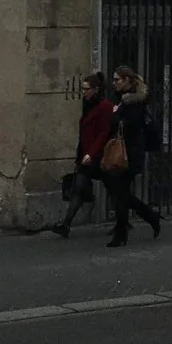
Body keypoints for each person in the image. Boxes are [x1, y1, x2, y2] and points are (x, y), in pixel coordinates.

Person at [103, 65, 163, 246]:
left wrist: (115, 116)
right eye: (113, 80)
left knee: (120, 193)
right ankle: (150, 217)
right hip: (120, 151)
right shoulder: (118, 99)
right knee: (120, 193)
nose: (114, 83)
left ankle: (121, 234)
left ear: (127, 80)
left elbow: (129, 125)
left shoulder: (134, 101)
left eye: (117, 80)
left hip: (130, 152)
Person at [53, 72, 114, 239]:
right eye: (82, 89)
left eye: (86, 89)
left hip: (99, 155)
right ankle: (66, 225)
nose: (83, 92)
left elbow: (103, 133)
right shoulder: (87, 104)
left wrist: (91, 153)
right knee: (78, 188)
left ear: (95, 89)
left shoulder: (105, 106)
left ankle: (125, 220)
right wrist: (81, 154)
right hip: (86, 155)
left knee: (114, 189)